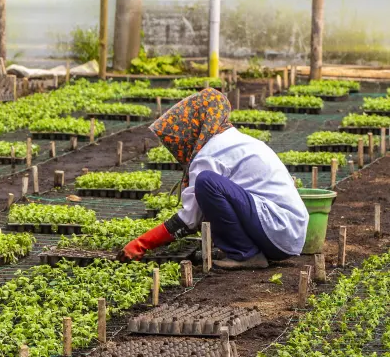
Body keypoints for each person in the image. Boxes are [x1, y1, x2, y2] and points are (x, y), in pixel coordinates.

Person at [118, 88, 309, 270]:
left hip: (279, 230)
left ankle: (244, 253)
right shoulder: (235, 140)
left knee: (206, 182)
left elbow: (190, 219)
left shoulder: (209, 155)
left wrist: (141, 243)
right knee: (210, 190)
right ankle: (242, 248)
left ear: (193, 127)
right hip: (287, 232)